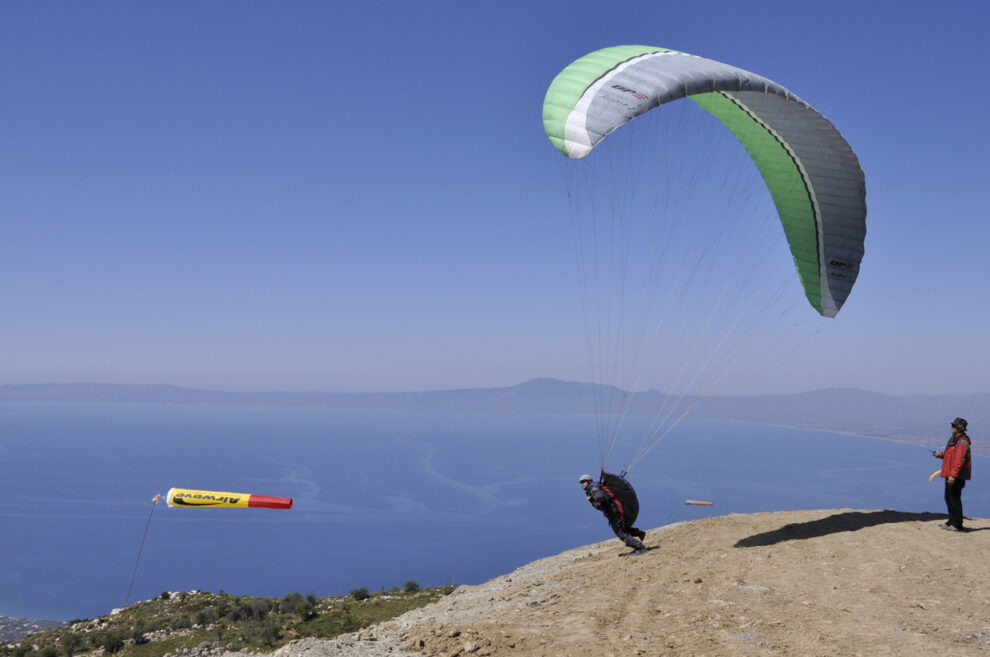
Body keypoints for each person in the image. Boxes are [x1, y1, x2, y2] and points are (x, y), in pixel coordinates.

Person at [579, 473, 647, 554]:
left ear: (589, 481)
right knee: (623, 528)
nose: (582, 484)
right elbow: (600, 505)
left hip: (614, 514)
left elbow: (600, 497)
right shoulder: (593, 488)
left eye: (584, 482)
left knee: (621, 534)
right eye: (581, 482)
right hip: (613, 513)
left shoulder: (593, 489)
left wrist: (592, 498)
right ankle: (639, 533)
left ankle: (640, 547)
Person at [932, 417, 972, 532]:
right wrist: (940, 454)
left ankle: (958, 524)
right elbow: (951, 455)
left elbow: (959, 460)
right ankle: (951, 521)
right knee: (948, 497)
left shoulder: (962, 441)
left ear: (959, 428)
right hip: (950, 473)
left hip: (956, 476)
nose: (952, 428)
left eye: (954, 426)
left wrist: (953, 475)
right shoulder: (954, 439)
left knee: (954, 498)